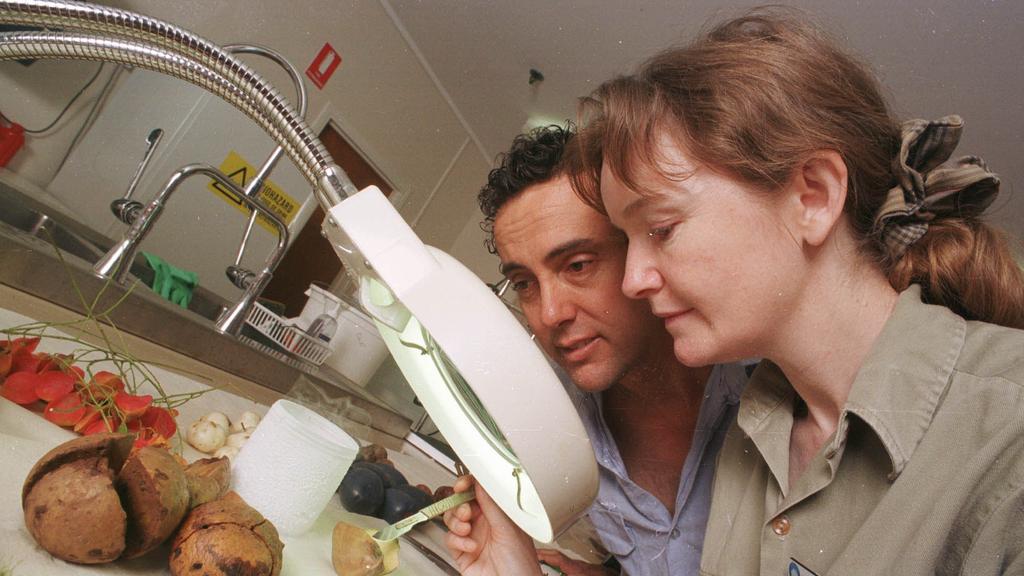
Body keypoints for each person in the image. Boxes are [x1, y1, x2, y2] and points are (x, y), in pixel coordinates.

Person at [568, 9, 1024, 576]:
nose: (634, 279)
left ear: (812, 196)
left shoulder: (1010, 438)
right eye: (628, 240)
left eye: (660, 228)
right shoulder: (750, 432)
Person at [444, 125, 748, 576]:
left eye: (578, 265)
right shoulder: (557, 429)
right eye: (526, 284)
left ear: (643, 252)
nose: (549, 314)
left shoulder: (766, 388)